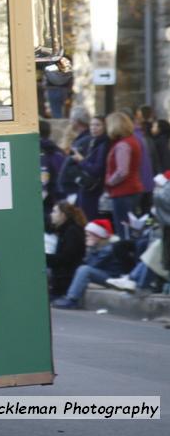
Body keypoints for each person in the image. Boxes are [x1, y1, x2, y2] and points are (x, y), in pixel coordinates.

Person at [51, 219, 128, 309]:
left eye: (88, 235)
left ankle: (72, 299)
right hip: (104, 274)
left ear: (98, 236)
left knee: (84, 269)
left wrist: (90, 249)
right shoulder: (99, 246)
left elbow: (91, 265)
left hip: (113, 277)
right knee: (81, 268)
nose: (86, 238)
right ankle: (68, 295)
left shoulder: (108, 249)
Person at [105, 111, 144, 240]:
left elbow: (122, 171)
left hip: (124, 192)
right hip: (132, 190)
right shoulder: (132, 141)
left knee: (124, 231)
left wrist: (110, 182)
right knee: (130, 229)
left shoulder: (123, 144)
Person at [67, 115, 110, 220]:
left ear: (105, 127)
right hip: (87, 188)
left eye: (97, 125)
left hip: (94, 189)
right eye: (92, 125)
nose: (93, 128)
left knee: (90, 219)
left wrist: (82, 160)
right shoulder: (94, 141)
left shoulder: (103, 144)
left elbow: (97, 169)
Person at [45, 202, 87, 300]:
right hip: (62, 278)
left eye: (55, 212)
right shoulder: (65, 230)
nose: (51, 214)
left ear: (63, 215)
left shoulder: (72, 231)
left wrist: (43, 258)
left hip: (67, 279)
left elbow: (66, 259)